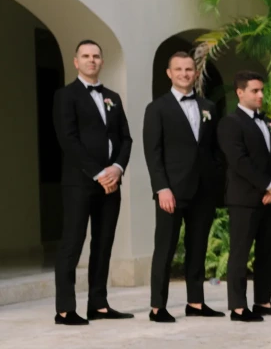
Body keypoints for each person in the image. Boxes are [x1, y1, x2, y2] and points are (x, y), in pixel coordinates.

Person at [53, 40, 134, 325]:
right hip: (80, 183)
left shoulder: (112, 96)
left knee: (104, 243)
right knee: (72, 244)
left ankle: (98, 304)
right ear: (76, 62)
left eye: (96, 56)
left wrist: (117, 169)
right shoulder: (66, 96)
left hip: (112, 183)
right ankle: (65, 309)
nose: (91, 60)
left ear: (101, 61)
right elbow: (68, 140)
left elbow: (126, 138)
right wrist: (99, 173)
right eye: (85, 56)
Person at [143, 51, 225, 322]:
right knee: (165, 248)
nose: (184, 74)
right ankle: (157, 306)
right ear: (169, 73)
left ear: (195, 72)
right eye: (178, 69)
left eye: (189, 69)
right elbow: (153, 154)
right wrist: (161, 188)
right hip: (172, 191)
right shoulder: (157, 109)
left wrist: (215, 182)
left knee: (198, 247)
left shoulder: (209, 107)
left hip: (203, 190)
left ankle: (196, 302)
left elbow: (214, 150)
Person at [218, 71, 271, 322]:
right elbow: (239, 161)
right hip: (244, 199)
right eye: (255, 91)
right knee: (240, 252)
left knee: (267, 251)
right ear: (240, 92)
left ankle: (263, 301)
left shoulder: (269, 122)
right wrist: (268, 185)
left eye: (262, 90)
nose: (261, 95)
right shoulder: (230, 123)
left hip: (270, 199)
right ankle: (238, 307)